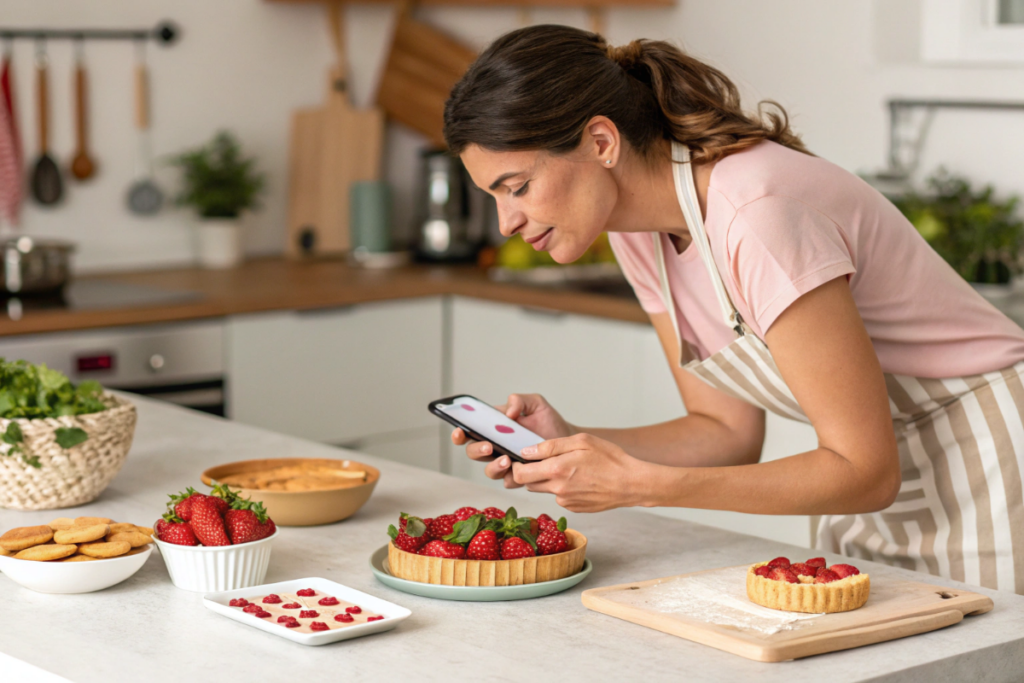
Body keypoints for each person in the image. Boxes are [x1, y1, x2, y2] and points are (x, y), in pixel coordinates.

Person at [442, 24, 1024, 594]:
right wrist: (570, 443)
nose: (506, 223)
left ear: (601, 142)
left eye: (516, 187)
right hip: (865, 482)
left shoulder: (757, 214)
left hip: (988, 461)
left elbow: (866, 471)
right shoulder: (638, 232)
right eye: (493, 195)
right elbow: (725, 432)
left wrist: (641, 486)